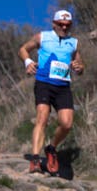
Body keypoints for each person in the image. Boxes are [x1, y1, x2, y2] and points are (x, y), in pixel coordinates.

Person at [19, 10, 84, 175]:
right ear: (54, 24)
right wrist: (28, 62)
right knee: (42, 118)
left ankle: (51, 147)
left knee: (67, 123)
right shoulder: (43, 37)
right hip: (44, 83)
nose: (64, 27)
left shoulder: (74, 43)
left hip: (63, 86)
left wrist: (79, 67)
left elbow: (80, 64)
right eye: (60, 24)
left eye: (67, 25)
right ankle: (35, 160)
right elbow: (23, 49)